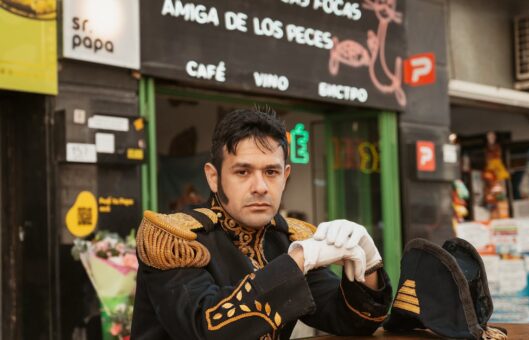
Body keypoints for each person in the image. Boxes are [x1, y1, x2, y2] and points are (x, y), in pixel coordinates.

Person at [131, 108, 392, 340]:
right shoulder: (174, 239)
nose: (260, 187)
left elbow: (348, 321)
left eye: (271, 172)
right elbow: (205, 327)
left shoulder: (287, 237)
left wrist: (368, 267)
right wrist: (299, 260)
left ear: (285, 176)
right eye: (242, 172)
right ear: (213, 177)